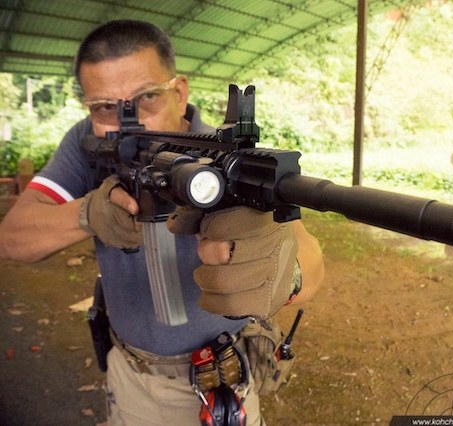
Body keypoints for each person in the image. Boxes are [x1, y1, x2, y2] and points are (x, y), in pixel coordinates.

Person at [0, 19, 325, 425]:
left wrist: (285, 273)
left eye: (147, 98)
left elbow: (307, 259)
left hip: (222, 381)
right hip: (132, 375)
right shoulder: (86, 144)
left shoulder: (222, 157)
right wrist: (87, 213)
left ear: (179, 91)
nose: (127, 123)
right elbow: (10, 238)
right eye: (105, 107)